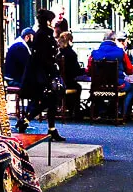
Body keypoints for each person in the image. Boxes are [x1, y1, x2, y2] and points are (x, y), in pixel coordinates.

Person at [17, 9, 65, 141]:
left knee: (51, 101)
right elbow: (42, 58)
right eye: (53, 19)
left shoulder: (45, 34)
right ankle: (28, 121)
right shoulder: (43, 35)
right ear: (49, 21)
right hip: (43, 74)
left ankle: (49, 128)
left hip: (46, 73)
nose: (56, 21)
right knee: (47, 100)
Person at [87, 29, 133, 118]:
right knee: (132, 87)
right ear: (114, 40)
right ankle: (121, 112)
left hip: (98, 85)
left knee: (94, 88)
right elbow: (130, 70)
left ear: (103, 40)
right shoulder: (121, 52)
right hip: (117, 85)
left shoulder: (94, 53)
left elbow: (89, 71)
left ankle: (102, 110)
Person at [57, 31, 84, 120]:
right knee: (78, 87)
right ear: (69, 41)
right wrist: (84, 71)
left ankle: (66, 107)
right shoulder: (71, 54)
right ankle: (76, 112)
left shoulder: (58, 54)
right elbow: (75, 71)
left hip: (58, 82)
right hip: (67, 82)